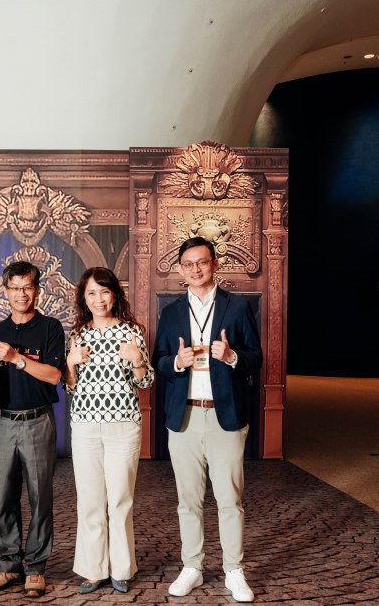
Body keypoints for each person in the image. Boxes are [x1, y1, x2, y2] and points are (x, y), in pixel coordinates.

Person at [152, 237, 262, 603]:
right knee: (188, 500)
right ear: (180, 270)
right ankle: (193, 567)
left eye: (202, 262)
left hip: (224, 414)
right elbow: (158, 361)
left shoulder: (237, 307)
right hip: (184, 415)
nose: (196, 269)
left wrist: (231, 356)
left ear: (215, 264)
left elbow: (256, 358)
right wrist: (176, 362)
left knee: (229, 498)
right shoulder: (171, 313)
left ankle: (234, 569)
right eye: (189, 264)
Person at [63, 267, 154, 594]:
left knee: (119, 500)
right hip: (85, 425)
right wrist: (70, 364)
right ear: (83, 298)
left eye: (104, 291)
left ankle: (122, 568)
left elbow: (145, 382)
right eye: (91, 293)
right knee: (89, 500)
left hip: (123, 425)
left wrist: (137, 359)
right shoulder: (77, 335)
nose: (98, 299)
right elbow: (71, 387)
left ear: (114, 294)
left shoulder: (132, 332)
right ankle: (93, 569)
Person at [0, 260, 65, 598]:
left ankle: (36, 568)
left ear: (37, 290)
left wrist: (17, 358)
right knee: (4, 496)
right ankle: (9, 565)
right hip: (2, 421)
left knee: (40, 496)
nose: (21, 294)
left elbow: (54, 376)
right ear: (6, 292)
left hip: (38, 421)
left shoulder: (50, 328)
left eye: (27, 287)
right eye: (14, 288)